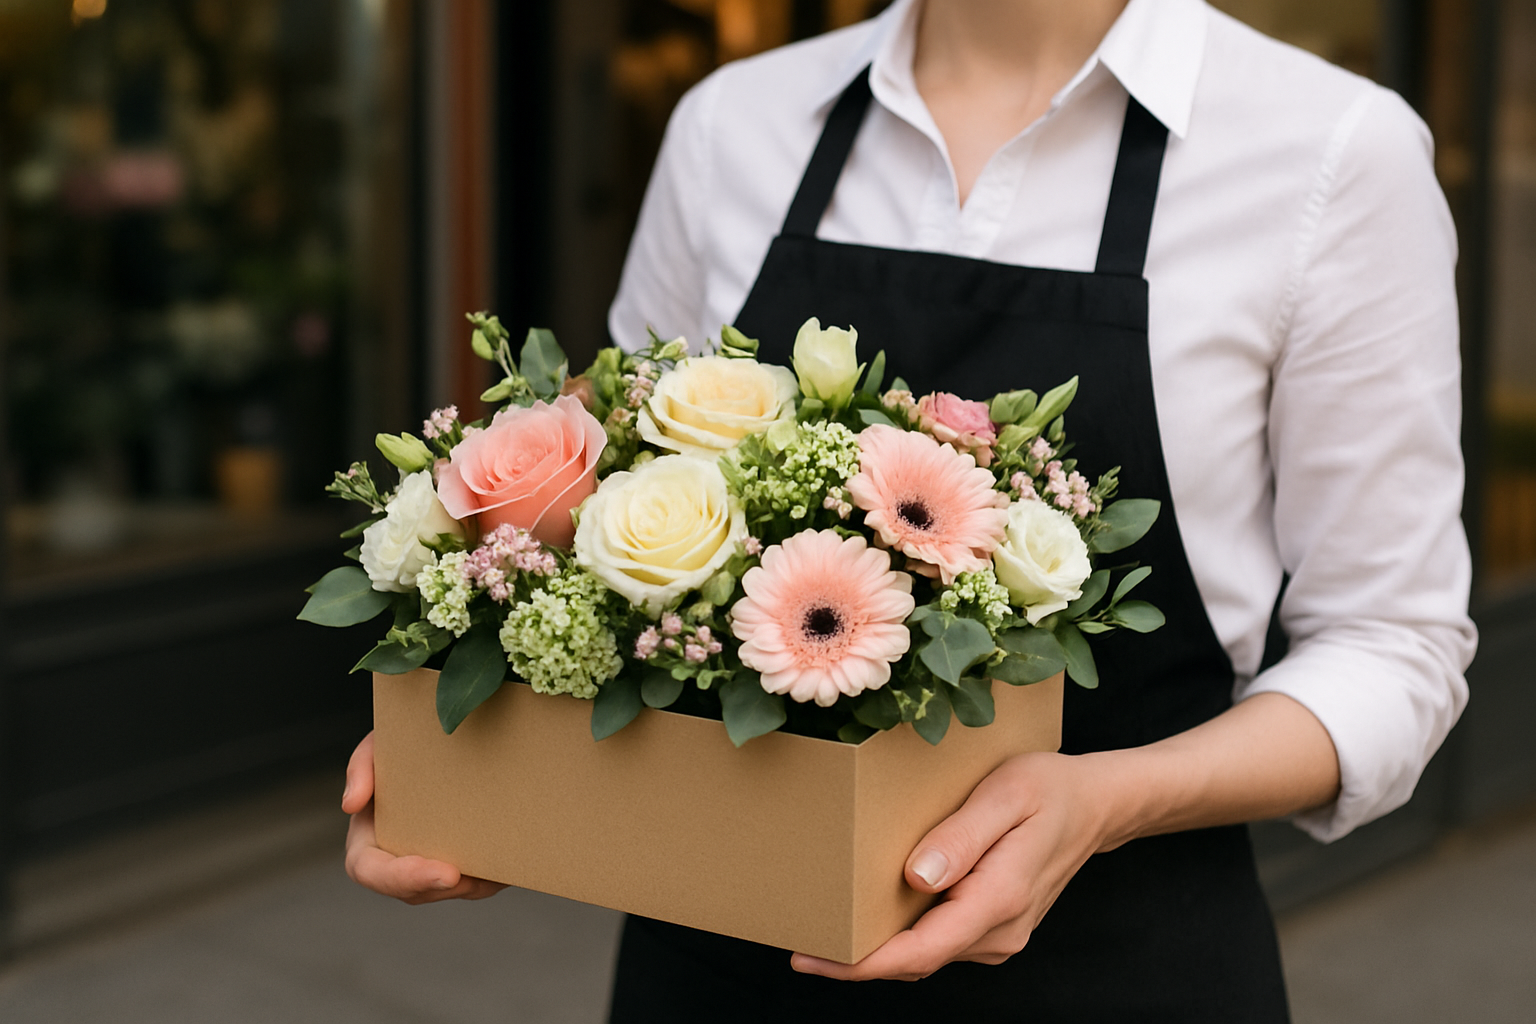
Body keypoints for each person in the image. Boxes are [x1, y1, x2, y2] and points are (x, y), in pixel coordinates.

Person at [343, 0, 1476, 1019]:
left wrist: (1108, 800)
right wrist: (481, 770)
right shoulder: (735, 125)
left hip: (1119, 966)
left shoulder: (1328, 152)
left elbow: (1393, 644)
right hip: (722, 967)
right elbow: (612, 519)